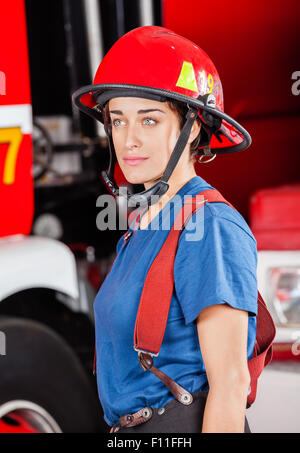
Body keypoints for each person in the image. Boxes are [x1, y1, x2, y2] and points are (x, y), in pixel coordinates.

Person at [73, 26, 257, 433]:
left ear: (192, 127)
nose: (129, 139)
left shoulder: (209, 225)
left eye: (149, 120)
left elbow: (230, 386)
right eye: (117, 121)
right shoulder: (142, 226)